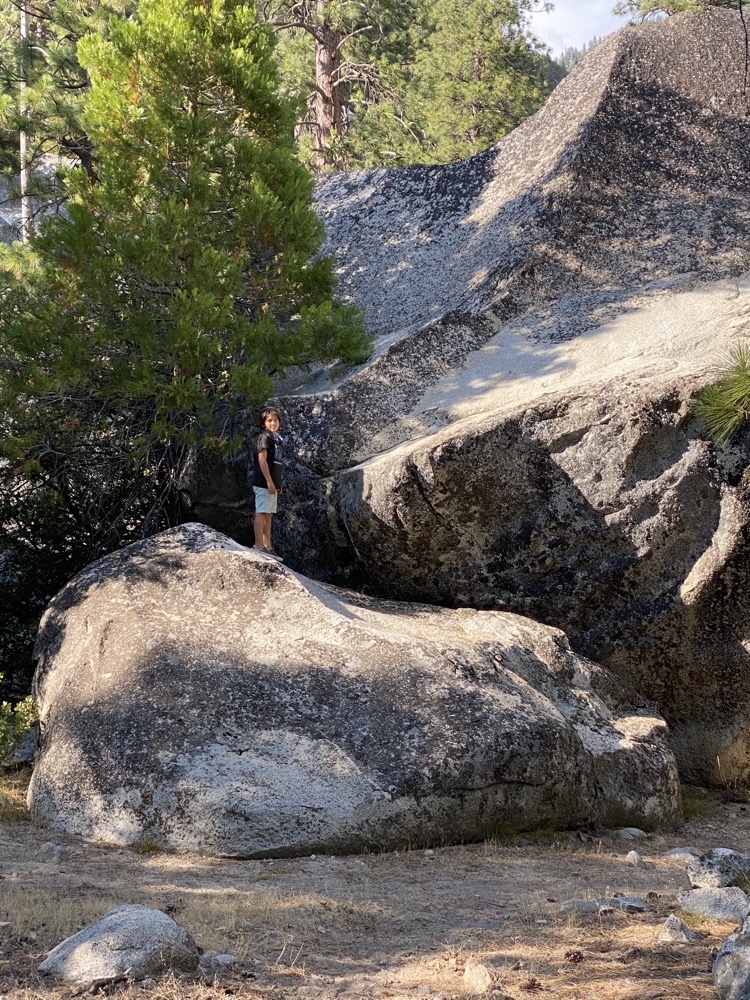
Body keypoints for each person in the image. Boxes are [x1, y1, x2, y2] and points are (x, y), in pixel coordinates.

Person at [251, 407, 284, 560]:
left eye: (275, 420)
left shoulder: (276, 439)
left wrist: (277, 484)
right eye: (269, 420)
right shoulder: (264, 438)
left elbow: (276, 464)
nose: (273, 423)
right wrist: (269, 481)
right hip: (263, 481)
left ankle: (268, 546)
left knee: (269, 514)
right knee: (261, 511)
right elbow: (262, 460)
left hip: (272, 483)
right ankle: (258, 545)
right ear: (263, 423)